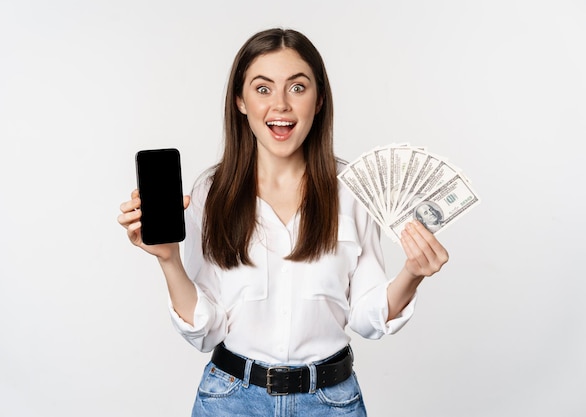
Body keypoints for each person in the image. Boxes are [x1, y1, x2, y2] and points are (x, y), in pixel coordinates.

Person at [118, 28, 449, 417]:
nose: (280, 105)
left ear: (319, 99)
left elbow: (366, 317)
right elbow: (206, 331)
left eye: (297, 88)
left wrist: (412, 273)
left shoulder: (352, 191)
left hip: (331, 402)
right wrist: (168, 259)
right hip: (230, 401)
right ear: (240, 101)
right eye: (262, 89)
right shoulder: (210, 192)